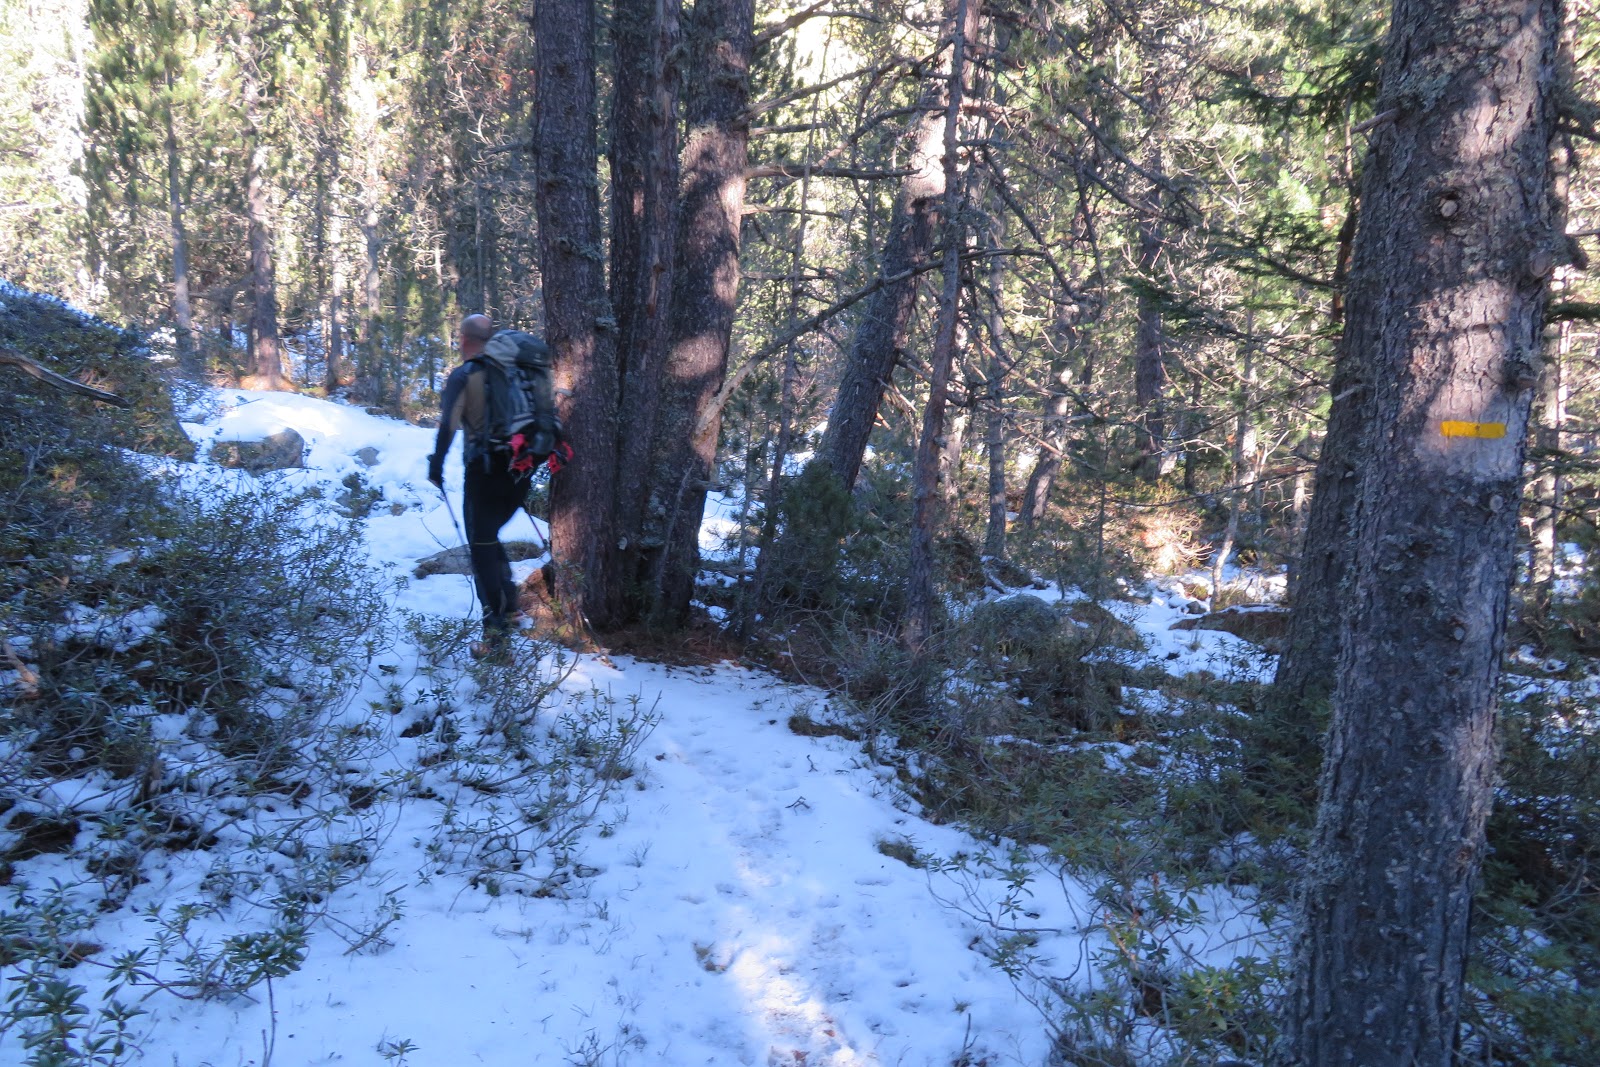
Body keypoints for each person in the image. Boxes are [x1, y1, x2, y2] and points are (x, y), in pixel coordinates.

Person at [427, 314, 530, 661]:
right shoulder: (515, 372)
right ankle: (511, 607)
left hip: (484, 474)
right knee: (489, 537)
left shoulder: (464, 375)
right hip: (520, 474)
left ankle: (496, 641)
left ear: (464, 339)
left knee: (482, 549)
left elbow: (448, 426)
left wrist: (436, 465)